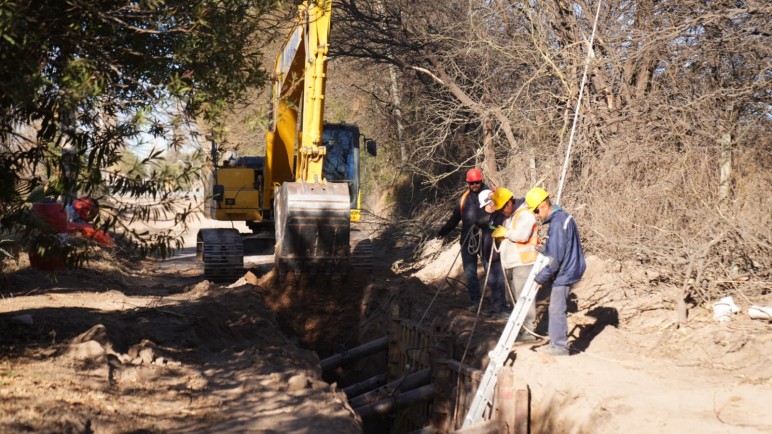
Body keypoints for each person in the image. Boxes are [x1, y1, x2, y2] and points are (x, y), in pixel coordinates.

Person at [526, 187, 586, 356]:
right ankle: (556, 343)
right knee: (555, 307)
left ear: (544, 205)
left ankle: (559, 346)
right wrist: (545, 248)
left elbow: (556, 258)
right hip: (568, 267)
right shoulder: (561, 219)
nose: (536, 215)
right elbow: (558, 248)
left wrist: (540, 277)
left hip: (566, 270)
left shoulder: (558, 223)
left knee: (556, 308)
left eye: (536, 211)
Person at [436, 168, 489, 310]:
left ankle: (498, 302)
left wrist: (481, 223)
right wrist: (443, 231)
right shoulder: (464, 198)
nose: (475, 185)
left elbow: (495, 215)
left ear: (481, 181)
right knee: (470, 272)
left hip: (486, 240)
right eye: (471, 183)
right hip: (467, 240)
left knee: (490, 270)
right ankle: (476, 301)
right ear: (467, 183)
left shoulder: (489, 194)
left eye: (477, 182)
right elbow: (454, 218)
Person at [491, 187, 539, 337]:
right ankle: (521, 329)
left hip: (524, 263)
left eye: (502, 209)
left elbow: (522, 236)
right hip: (513, 264)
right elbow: (511, 236)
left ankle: (529, 330)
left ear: (508, 203)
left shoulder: (525, 215)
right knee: (516, 300)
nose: (501, 212)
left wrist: (506, 233)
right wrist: (502, 237)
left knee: (524, 299)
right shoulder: (510, 217)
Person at [475, 189, 508, 318]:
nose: (486, 208)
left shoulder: (500, 215)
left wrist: (490, 226)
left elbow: (498, 228)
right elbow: (482, 223)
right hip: (487, 254)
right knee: (492, 281)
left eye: (487, 206)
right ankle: (496, 305)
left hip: (498, 254)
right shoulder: (487, 216)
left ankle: (501, 307)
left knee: (499, 280)